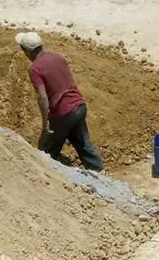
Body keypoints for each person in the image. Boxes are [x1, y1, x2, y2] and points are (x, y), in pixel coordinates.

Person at [15, 32, 104, 172]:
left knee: (46, 151)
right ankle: (99, 172)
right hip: (79, 106)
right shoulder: (57, 56)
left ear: (27, 51)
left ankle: (49, 178)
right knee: (83, 144)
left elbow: (42, 97)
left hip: (63, 113)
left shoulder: (35, 69)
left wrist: (45, 124)